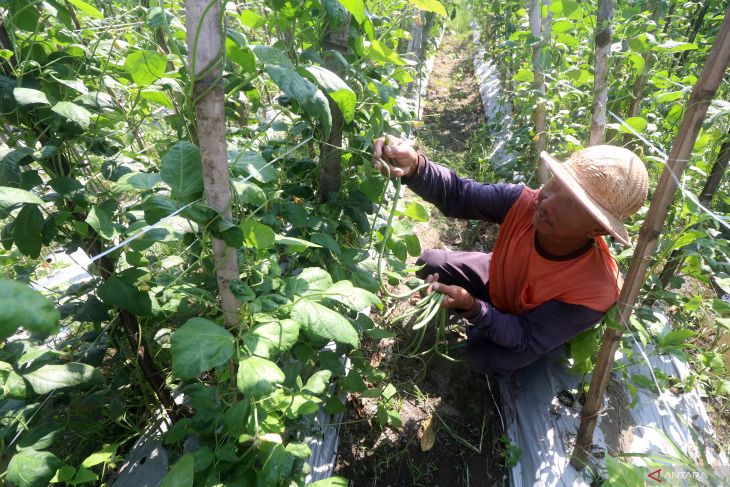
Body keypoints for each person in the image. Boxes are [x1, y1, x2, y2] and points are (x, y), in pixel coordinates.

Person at [371, 137, 649, 377]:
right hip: (498, 279)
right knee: (431, 263)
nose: (547, 199)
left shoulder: (595, 289)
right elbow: (459, 193)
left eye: (571, 202)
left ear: (597, 229)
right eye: (556, 182)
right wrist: (415, 167)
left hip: (529, 326)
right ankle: (485, 316)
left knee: (485, 356)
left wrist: (474, 309)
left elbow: (526, 337)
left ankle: (497, 345)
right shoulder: (526, 202)